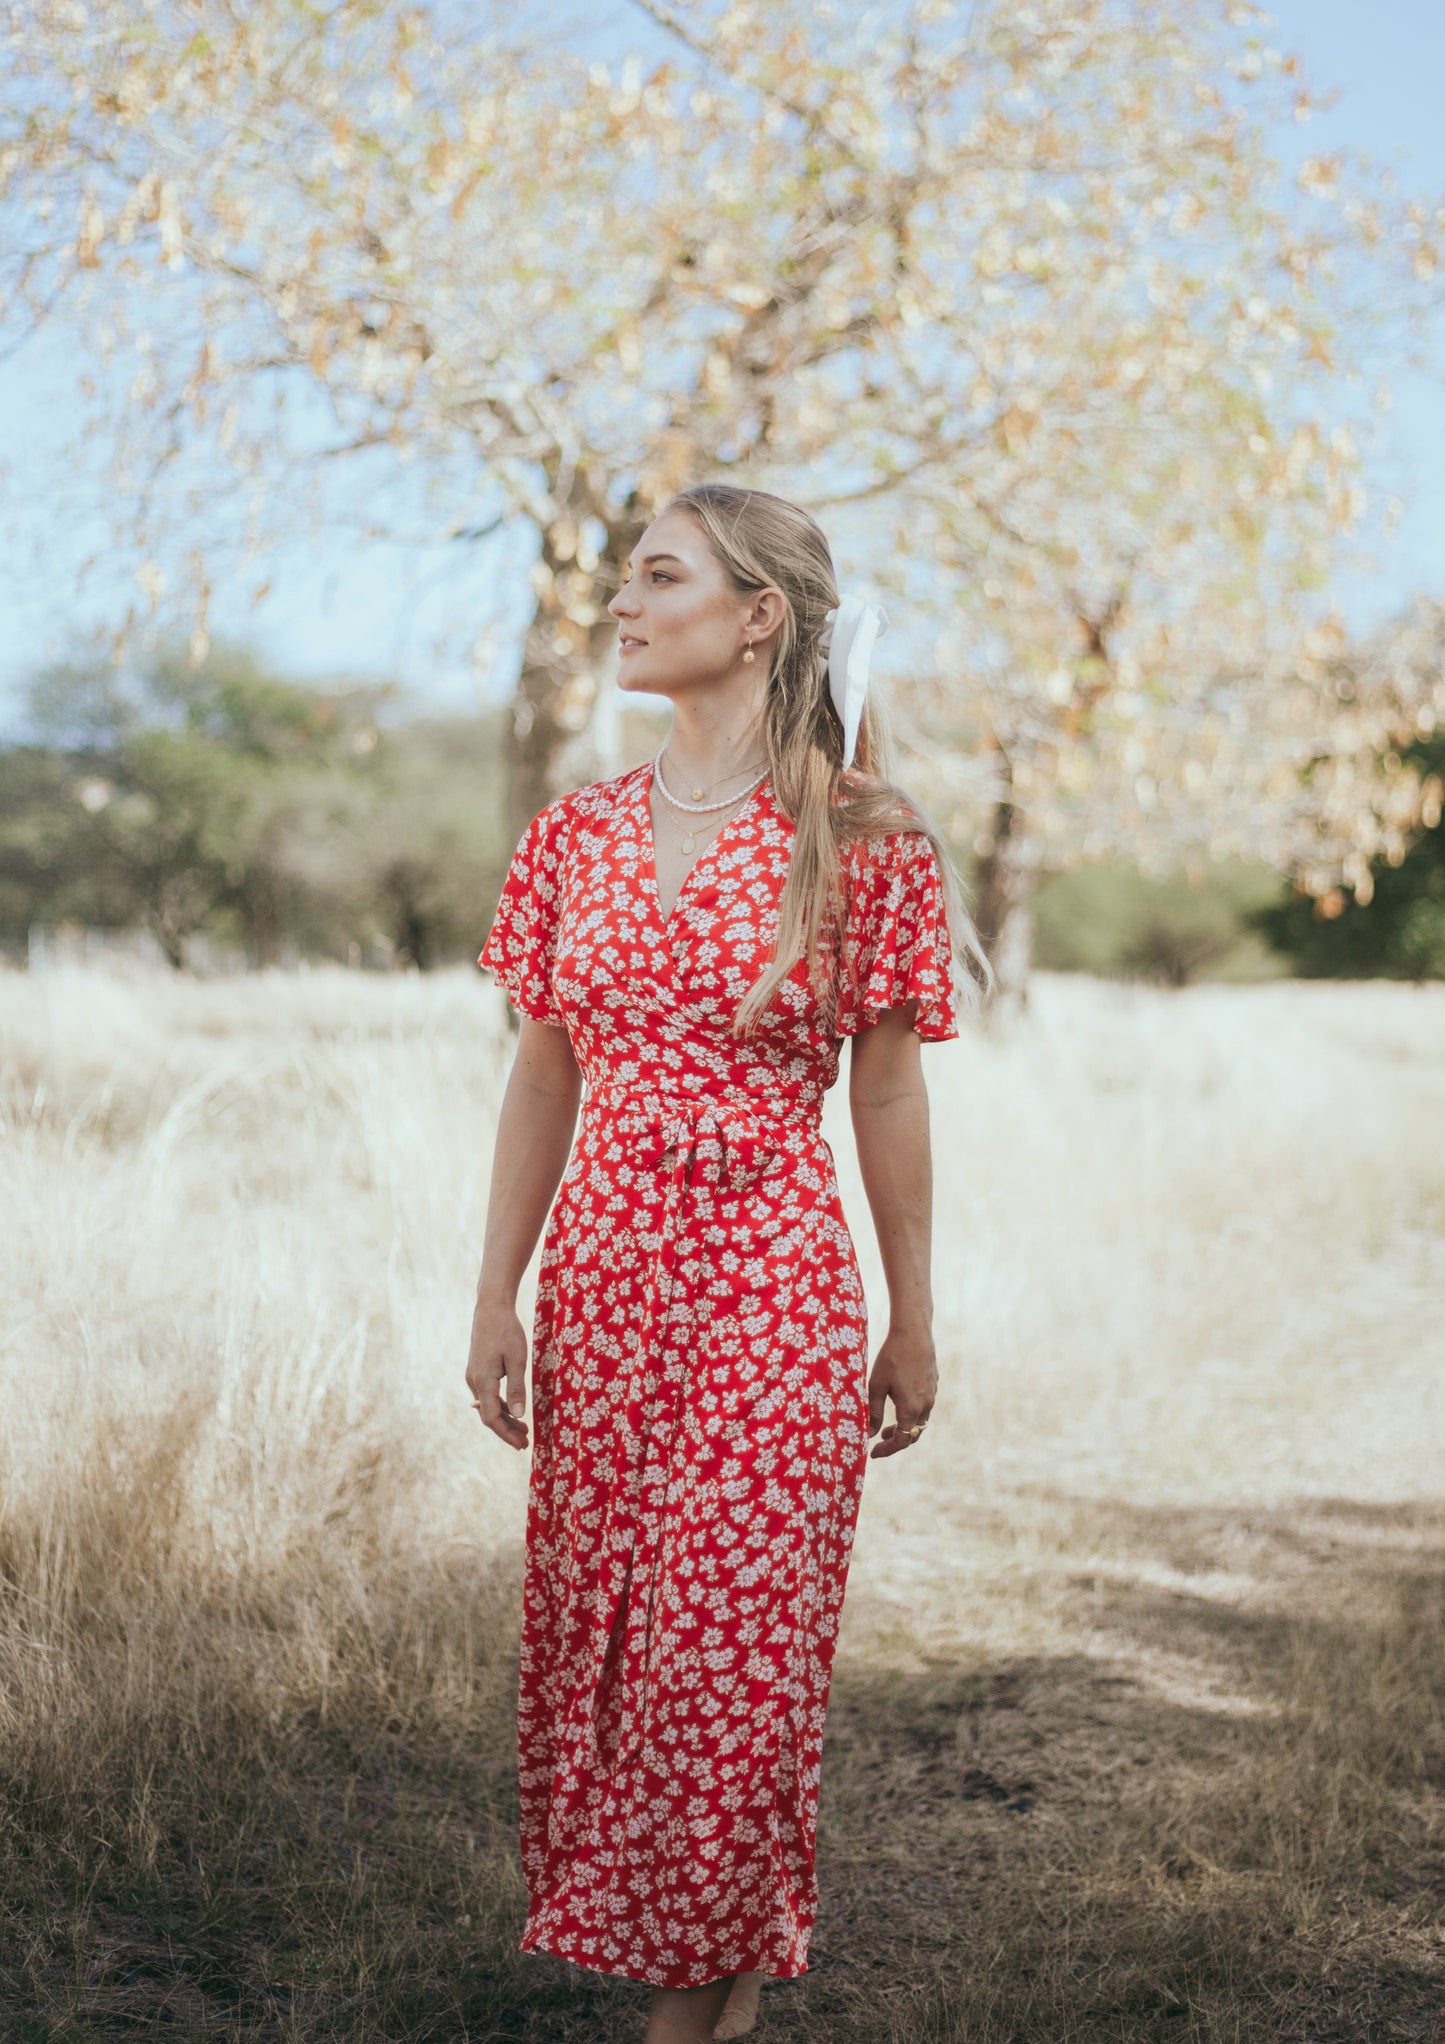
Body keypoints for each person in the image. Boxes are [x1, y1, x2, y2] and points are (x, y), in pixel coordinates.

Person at [468, 482, 991, 2044]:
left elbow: (887, 1089)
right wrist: (493, 1292)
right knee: (611, 1648)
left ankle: (680, 2023)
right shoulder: (574, 836)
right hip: (605, 1290)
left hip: (771, 1288)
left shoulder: (861, 841)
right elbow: (543, 1075)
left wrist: (912, 1320)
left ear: (757, 614)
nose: (622, 604)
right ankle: (719, 1961)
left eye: (658, 577)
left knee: (729, 1660)